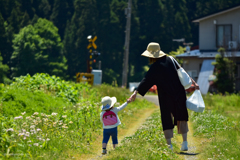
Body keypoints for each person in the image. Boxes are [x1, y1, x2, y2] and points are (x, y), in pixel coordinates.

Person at [129, 42, 199, 151]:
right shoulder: (171, 59)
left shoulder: (155, 67)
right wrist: (194, 83)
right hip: (179, 93)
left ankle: (169, 145)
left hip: (165, 96)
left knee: (167, 118)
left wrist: (136, 92)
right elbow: (183, 71)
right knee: (181, 116)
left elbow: (146, 80)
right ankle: (185, 143)